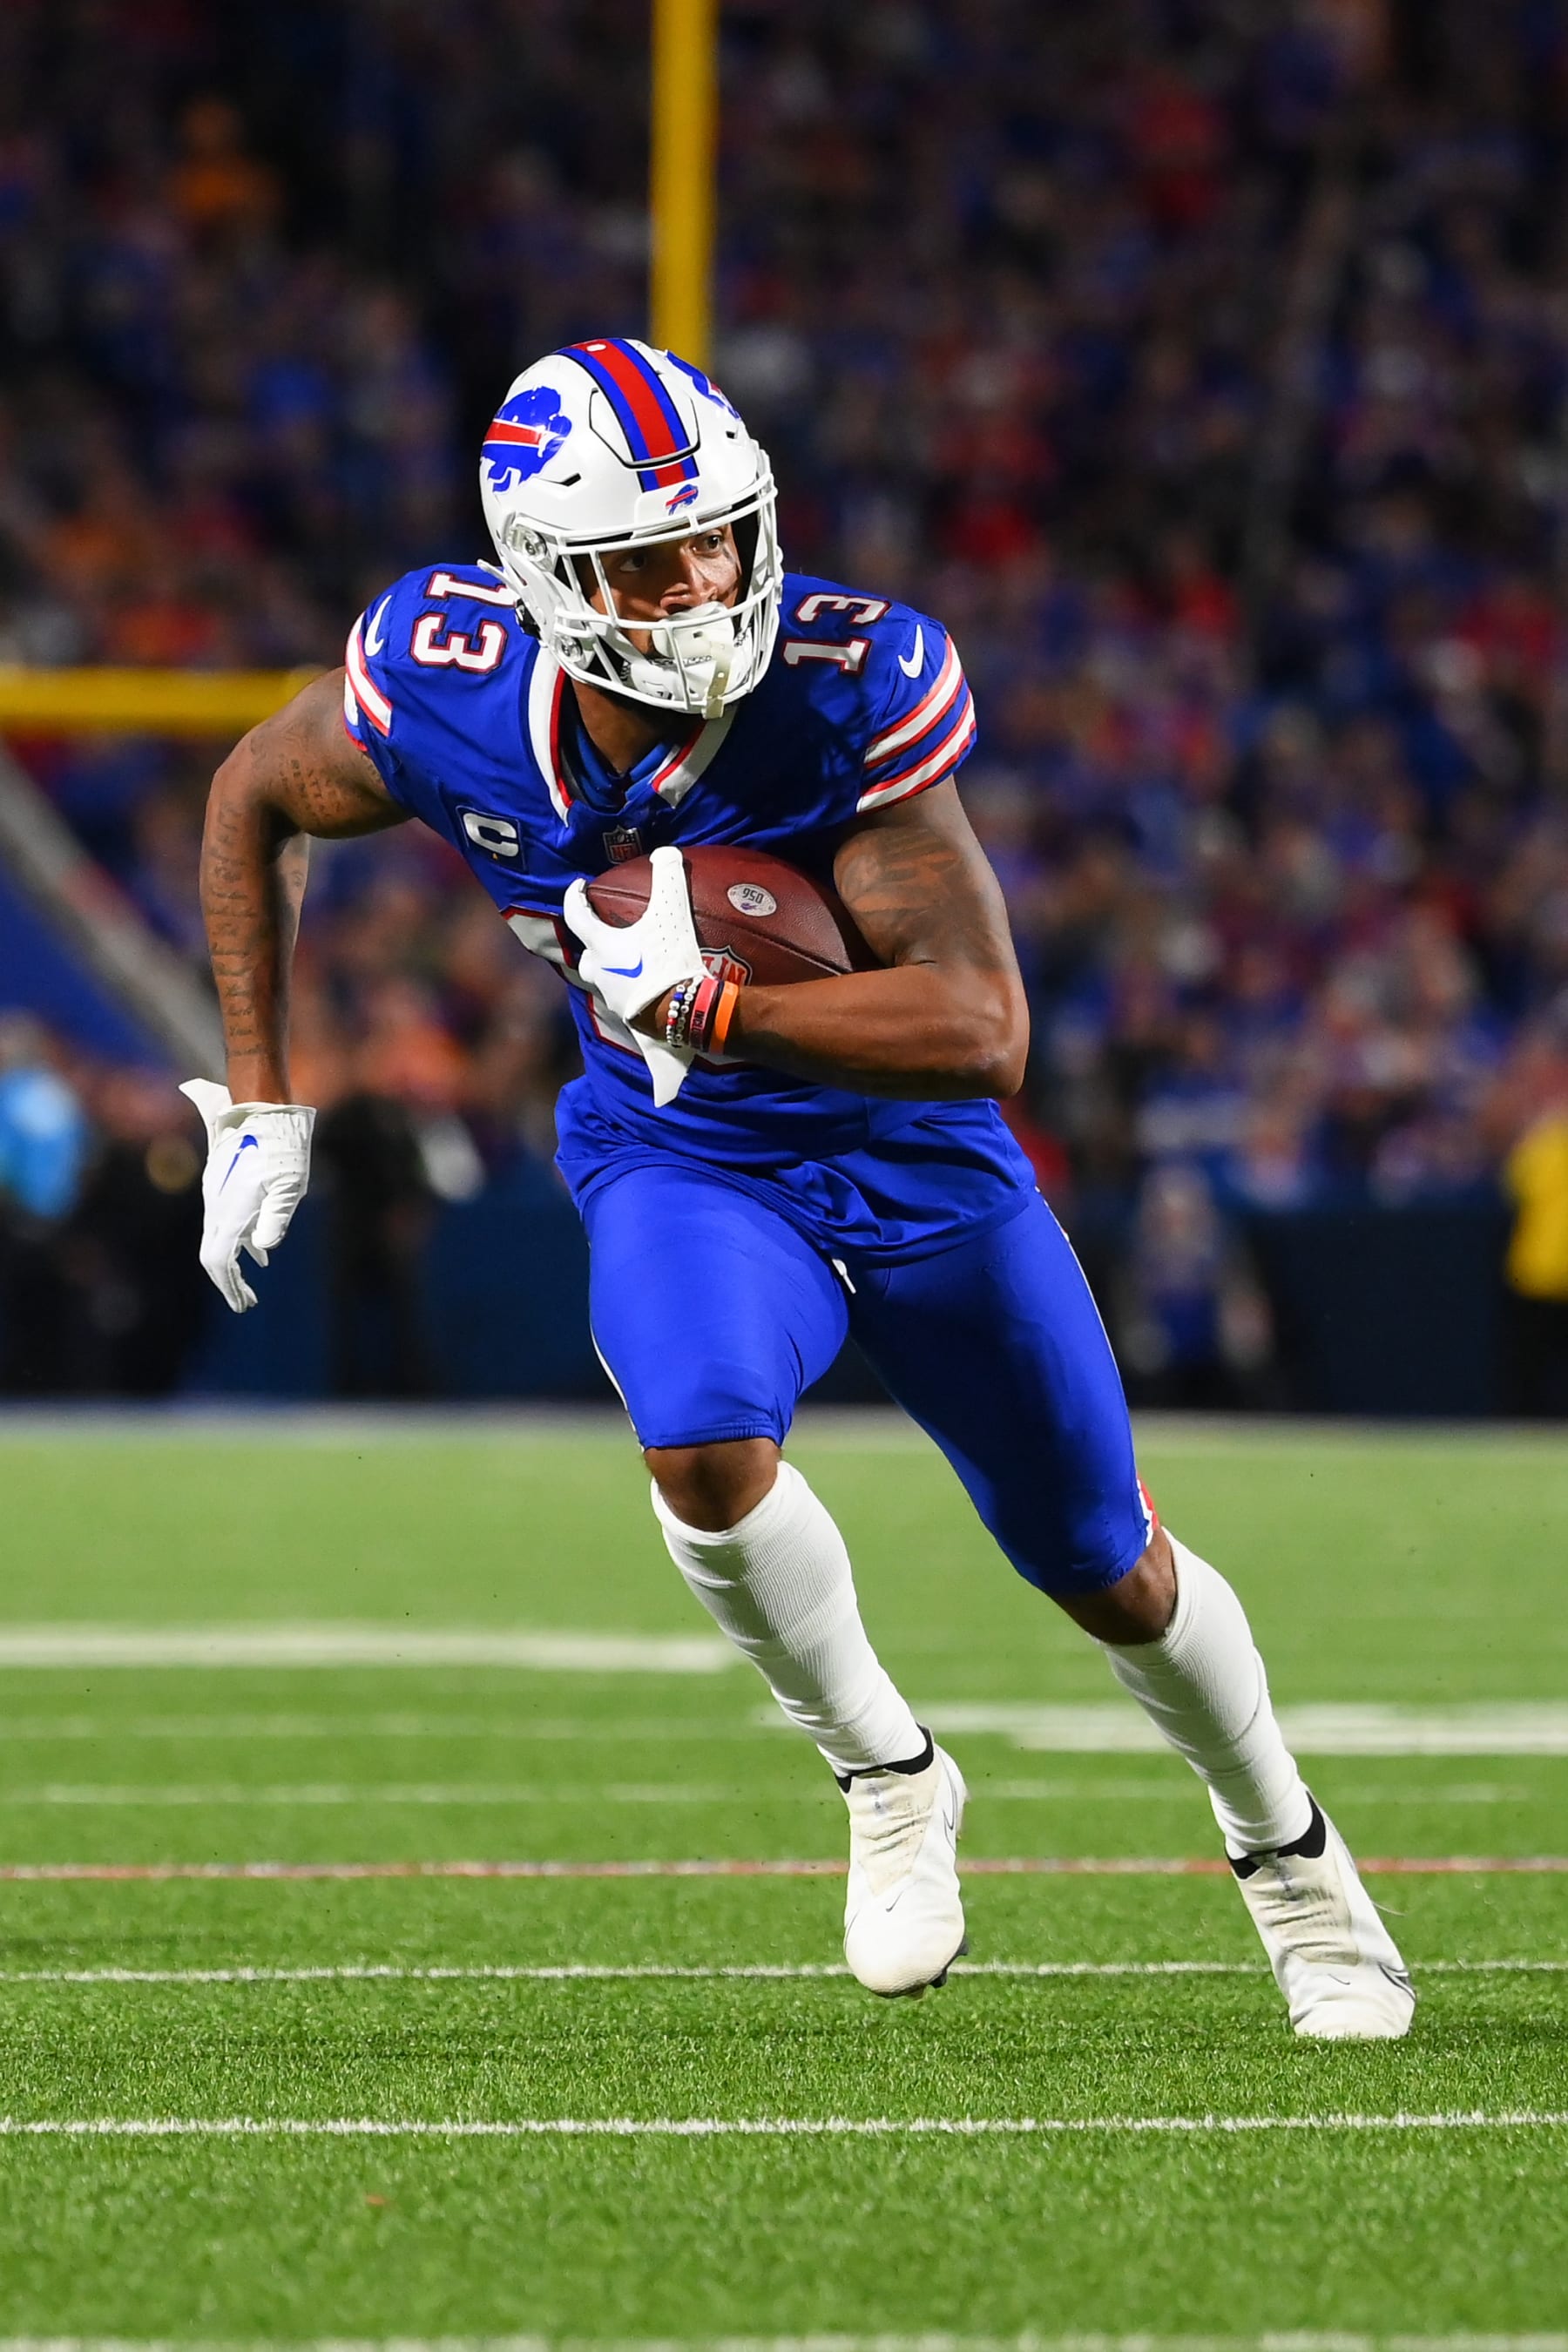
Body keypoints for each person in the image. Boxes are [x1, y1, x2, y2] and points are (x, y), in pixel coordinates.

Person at [181, 338, 1412, 2037]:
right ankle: (890, 1776)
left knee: (1101, 1557)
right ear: (546, 576)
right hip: (681, 1148)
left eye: (719, 535)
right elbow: (252, 794)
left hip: (909, 1153)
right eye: (650, 558)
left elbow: (982, 1031)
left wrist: (723, 1006)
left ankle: (1290, 1854)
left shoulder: (843, 690)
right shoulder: (447, 684)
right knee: (698, 1442)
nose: (703, 583)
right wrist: (260, 1100)